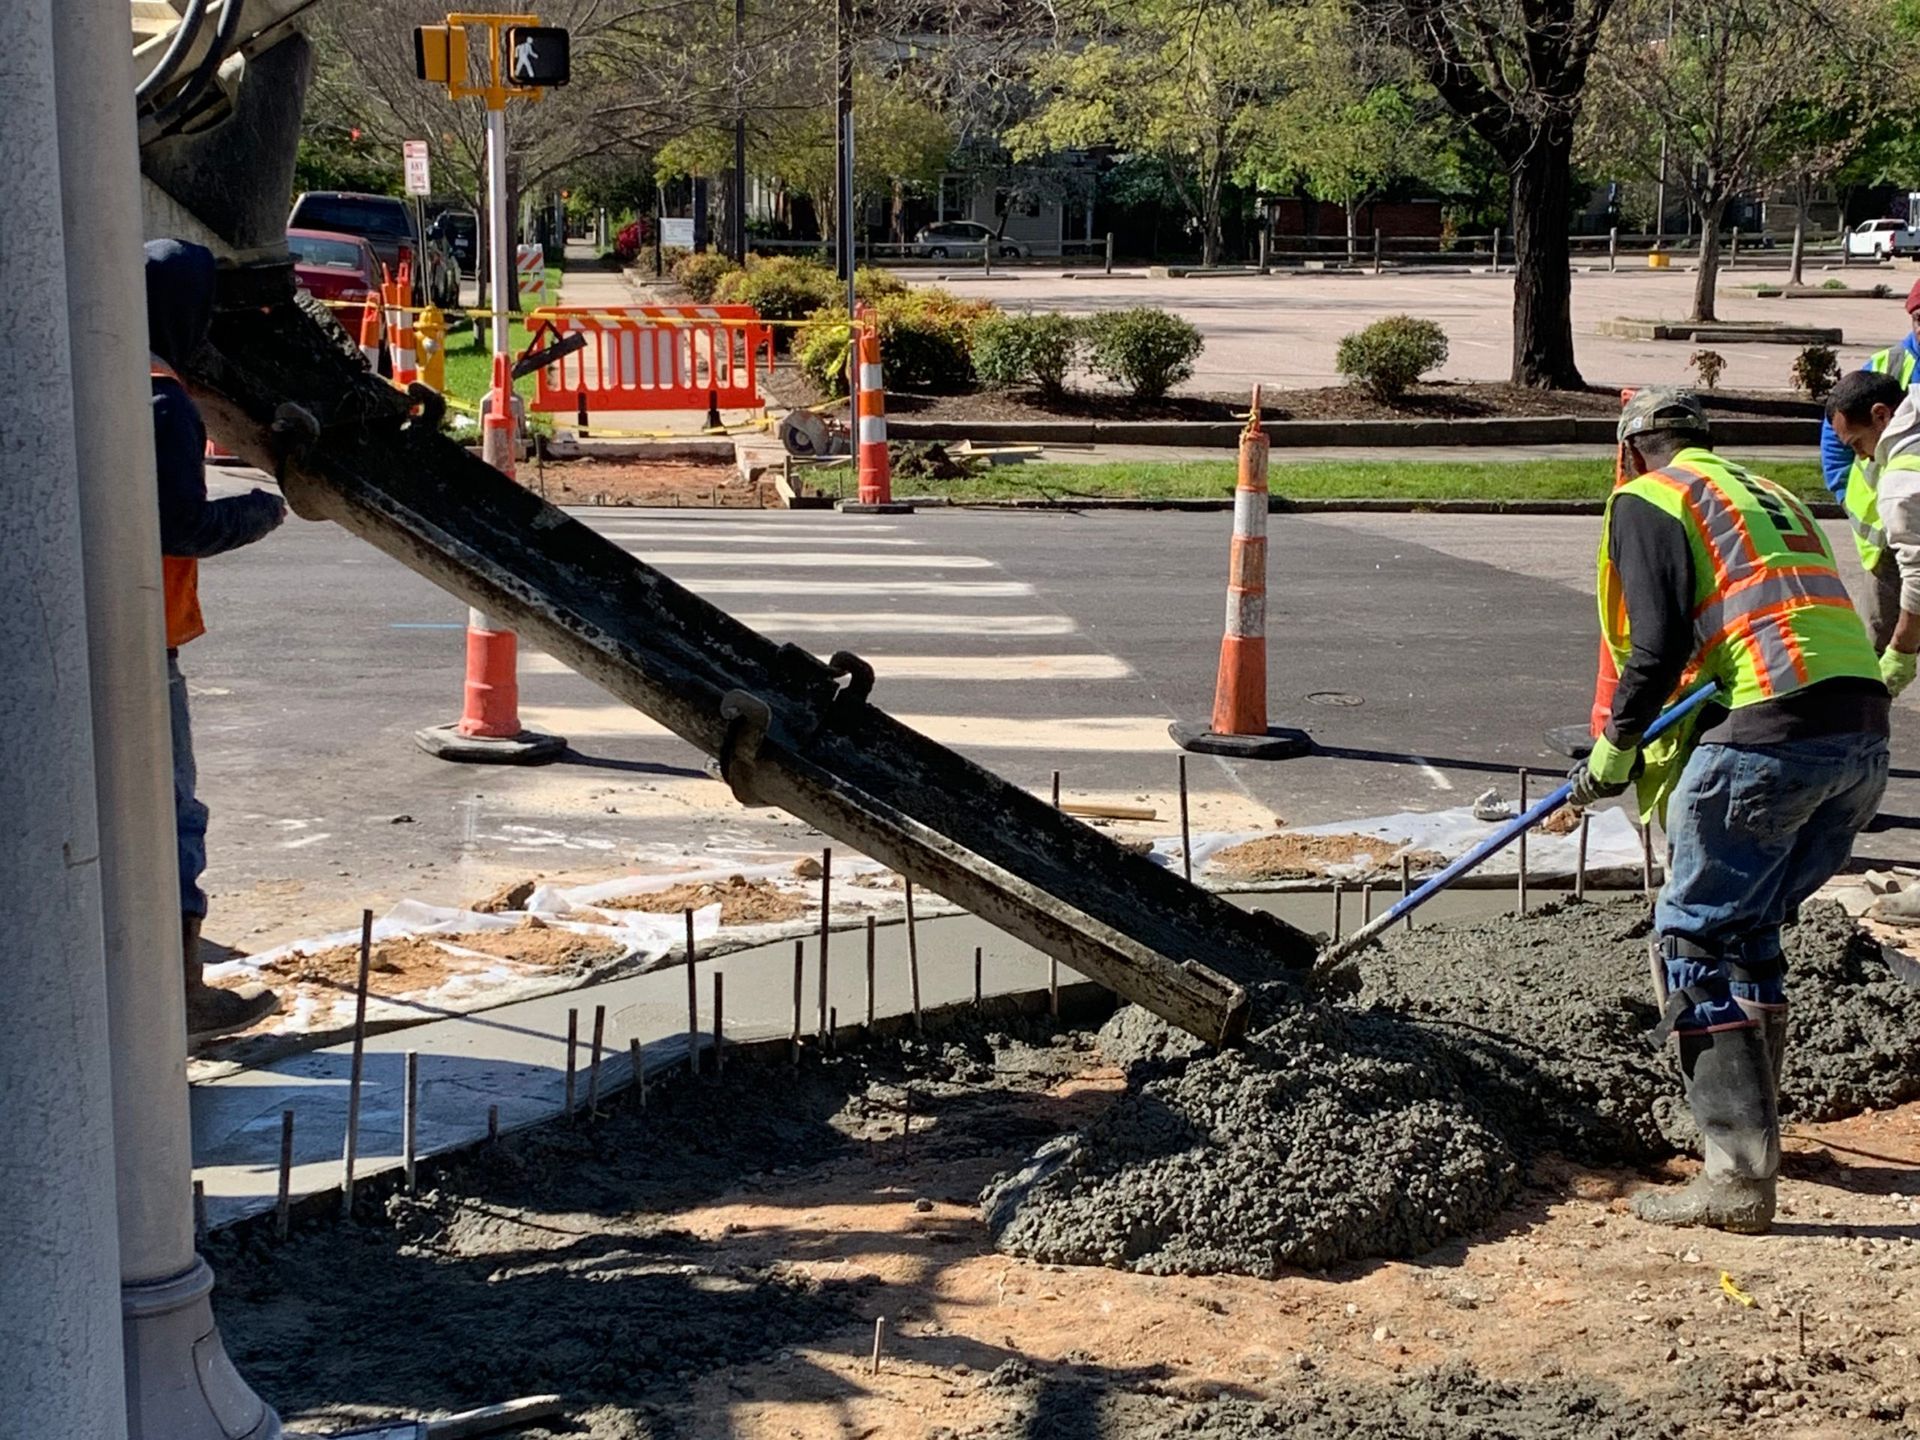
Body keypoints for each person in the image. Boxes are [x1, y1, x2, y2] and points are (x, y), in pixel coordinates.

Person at [1571, 389, 1889, 1233]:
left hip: (1773, 735)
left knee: (1696, 940)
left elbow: (1658, 640)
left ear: (1636, 448)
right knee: (1748, 934)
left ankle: (1737, 1178)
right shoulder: (1768, 493)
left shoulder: (1652, 496)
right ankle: (1757, 1143)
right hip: (1860, 738)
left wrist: (1615, 747)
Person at [148, 238, 289, 1042]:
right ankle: (182, 993)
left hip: (91, 629)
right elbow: (182, 525)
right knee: (174, 814)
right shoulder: (166, 397)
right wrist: (261, 510)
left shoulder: (95, 373)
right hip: (144, 638)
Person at [1824, 368, 1920, 686]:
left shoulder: (1902, 481)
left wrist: (1902, 651)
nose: (1863, 457)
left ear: (1881, 415)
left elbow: (1919, 577)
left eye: (1857, 444)